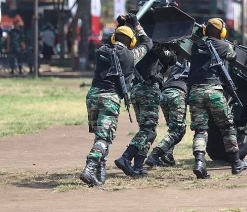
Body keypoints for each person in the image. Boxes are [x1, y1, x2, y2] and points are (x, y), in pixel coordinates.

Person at [80, 13, 153, 187]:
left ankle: (99, 174)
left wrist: (119, 26)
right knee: (104, 139)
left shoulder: (101, 51)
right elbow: (148, 43)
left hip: (93, 96)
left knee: (100, 136)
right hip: (110, 99)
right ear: (131, 42)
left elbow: (110, 41)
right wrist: (136, 25)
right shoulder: (130, 56)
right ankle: (90, 168)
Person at [187, 18, 247, 179]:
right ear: (222, 32)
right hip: (214, 91)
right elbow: (233, 56)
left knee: (201, 130)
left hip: (195, 92)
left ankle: (200, 163)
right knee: (227, 127)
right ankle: (236, 163)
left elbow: (200, 45)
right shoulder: (223, 46)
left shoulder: (196, 46)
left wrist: (203, 34)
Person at [114, 40, 176, 177]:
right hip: (148, 89)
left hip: (136, 89)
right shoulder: (154, 44)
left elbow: (169, 60)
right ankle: (126, 157)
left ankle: (138, 166)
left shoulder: (141, 46)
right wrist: (171, 46)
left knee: (148, 131)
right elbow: (171, 58)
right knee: (148, 130)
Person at [145, 57, 190, 167]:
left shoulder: (179, 62)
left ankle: (167, 156)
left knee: (173, 129)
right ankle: (155, 155)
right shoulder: (197, 62)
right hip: (178, 93)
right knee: (178, 131)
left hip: (165, 93)